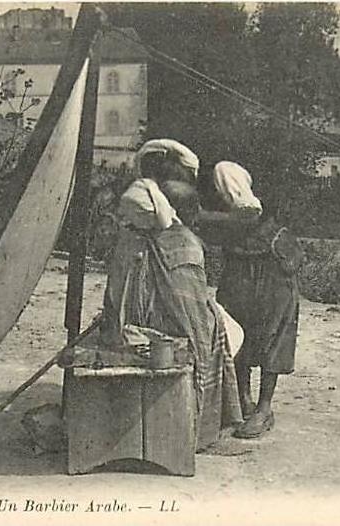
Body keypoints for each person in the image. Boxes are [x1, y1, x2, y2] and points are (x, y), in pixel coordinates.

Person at [99, 177, 243, 450]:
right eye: (193, 208)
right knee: (229, 330)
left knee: (216, 318)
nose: (197, 213)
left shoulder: (130, 239)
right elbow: (192, 313)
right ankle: (214, 415)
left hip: (125, 331)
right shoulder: (185, 242)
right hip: (166, 340)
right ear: (181, 210)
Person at [198, 161, 303, 439]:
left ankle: (264, 409)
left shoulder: (249, 208)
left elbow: (241, 217)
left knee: (273, 342)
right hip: (239, 277)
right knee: (238, 336)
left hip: (272, 279)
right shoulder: (226, 211)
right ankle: (244, 400)